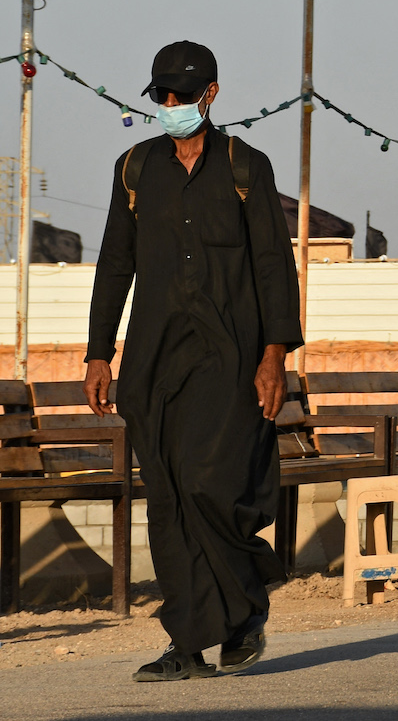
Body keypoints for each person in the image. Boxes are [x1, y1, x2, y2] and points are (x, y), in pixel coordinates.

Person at [84, 42, 301, 681]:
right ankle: (188, 643)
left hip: (229, 358)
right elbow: (114, 264)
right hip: (153, 362)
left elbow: (271, 265)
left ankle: (242, 610)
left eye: (183, 95)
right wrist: (100, 354)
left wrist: (274, 356)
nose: (172, 106)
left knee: (211, 484)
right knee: (169, 496)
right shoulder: (134, 169)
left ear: (210, 94)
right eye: (163, 97)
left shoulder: (245, 168)